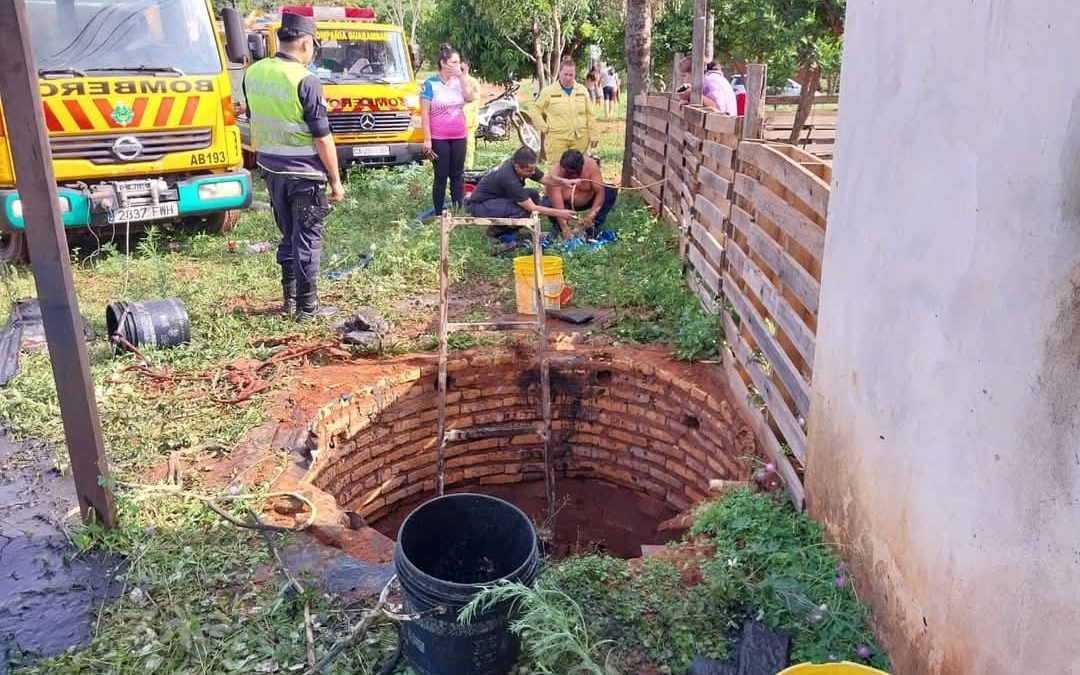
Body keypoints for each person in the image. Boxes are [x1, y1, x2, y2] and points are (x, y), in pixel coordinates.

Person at [244, 11, 345, 321]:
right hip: (304, 174)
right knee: (308, 237)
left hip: (272, 170)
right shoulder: (305, 80)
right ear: (304, 43)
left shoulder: (254, 72)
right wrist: (336, 181)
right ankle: (308, 307)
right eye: (313, 45)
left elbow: (252, 117)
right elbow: (322, 137)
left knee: (288, 233)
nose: (313, 51)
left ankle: (289, 300)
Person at [467, 146, 578, 235]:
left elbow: (545, 178)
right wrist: (560, 213)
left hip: (498, 198)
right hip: (481, 205)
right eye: (529, 170)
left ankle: (508, 230)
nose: (533, 173)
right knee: (521, 210)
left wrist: (564, 182)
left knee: (533, 195)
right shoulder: (508, 178)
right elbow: (532, 208)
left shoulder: (524, 163)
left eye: (534, 169)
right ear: (517, 167)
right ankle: (497, 233)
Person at [421, 44, 475, 215]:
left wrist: (463, 76)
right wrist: (427, 139)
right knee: (441, 175)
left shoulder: (460, 82)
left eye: (459, 62)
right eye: (454, 62)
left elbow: (470, 97)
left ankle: (458, 211)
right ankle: (438, 214)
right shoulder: (430, 84)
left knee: (457, 175)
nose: (459, 65)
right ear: (443, 63)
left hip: (459, 135)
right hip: (439, 138)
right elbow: (424, 114)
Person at [542, 149, 618, 239]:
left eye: (575, 174)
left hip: (587, 200)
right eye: (569, 174)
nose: (572, 177)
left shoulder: (591, 166)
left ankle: (593, 226)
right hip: (564, 205)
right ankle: (559, 227)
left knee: (609, 191)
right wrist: (564, 228)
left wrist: (592, 214)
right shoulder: (555, 175)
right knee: (549, 203)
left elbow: (600, 192)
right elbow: (558, 206)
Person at [532, 59, 596, 164]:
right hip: (557, 140)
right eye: (565, 74)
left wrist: (594, 134)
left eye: (571, 75)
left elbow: (590, 114)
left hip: (579, 139)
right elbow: (534, 109)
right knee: (558, 173)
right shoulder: (548, 91)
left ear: (575, 74)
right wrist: (543, 127)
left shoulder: (582, 90)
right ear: (559, 73)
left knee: (578, 171)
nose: (568, 78)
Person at [460, 60, 482, 170]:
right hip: (453, 123)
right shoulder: (452, 81)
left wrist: (463, 110)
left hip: (468, 122)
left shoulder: (473, 82)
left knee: (468, 147)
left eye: (462, 68)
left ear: (467, 68)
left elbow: (476, 100)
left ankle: (467, 170)